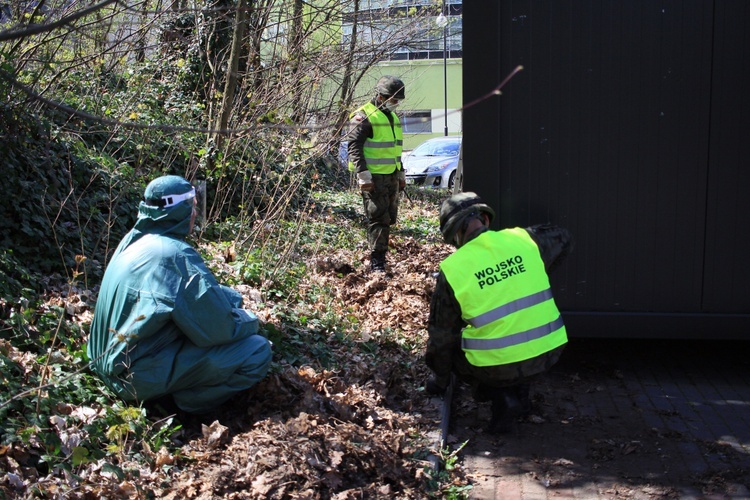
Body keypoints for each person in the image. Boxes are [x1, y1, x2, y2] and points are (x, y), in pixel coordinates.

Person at [87, 175, 272, 415]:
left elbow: (178, 297)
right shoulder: (176, 256)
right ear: (181, 211)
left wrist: (228, 298)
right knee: (256, 350)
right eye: (193, 206)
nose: (195, 213)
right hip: (132, 378)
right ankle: (177, 406)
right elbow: (219, 330)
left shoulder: (133, 240)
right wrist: (250, 319)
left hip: (103, 362)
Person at [425, 192, 573, 434]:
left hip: (496, 367)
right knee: (518, 346)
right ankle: (522, 394)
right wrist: (538, 269)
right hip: (549, 352)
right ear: (485, 219)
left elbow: (441, 337)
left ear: (455, 234)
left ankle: (502, 396)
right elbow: (563, 237)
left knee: (454, 352)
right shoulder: (525, 240)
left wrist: (439, 381)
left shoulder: (453, 269)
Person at [347, 75, 406, 273]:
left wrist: (401, 174)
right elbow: (354, 146)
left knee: (389, 218)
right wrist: (363, 175)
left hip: (391, 175)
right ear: (381, 96)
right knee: (378, 218)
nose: (396, 104)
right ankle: (377, 263)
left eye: (398, 100)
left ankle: (381, 256)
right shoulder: (363, 116)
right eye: (393, 100)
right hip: (373, 178)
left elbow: (395, 149)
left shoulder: (392, 117)